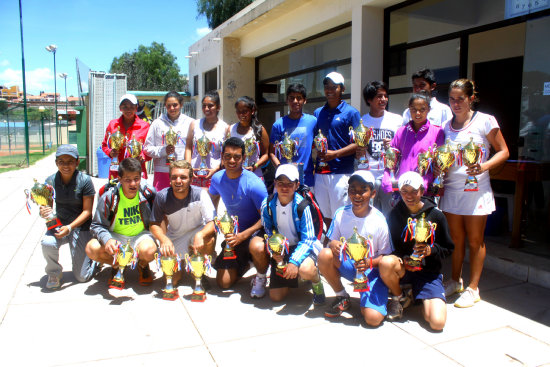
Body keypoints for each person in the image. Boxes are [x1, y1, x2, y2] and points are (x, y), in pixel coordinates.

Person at [439, 79, 509, 308]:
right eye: (452, 99)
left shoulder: (486, 121)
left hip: (476, 190)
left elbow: (503, 151)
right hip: (452, 190)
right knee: (456, 240)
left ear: (471, 98)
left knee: (475, 241)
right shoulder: (446, 127)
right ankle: (455, 280)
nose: (456, 103)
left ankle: (473, 288)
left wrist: (484, 166)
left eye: (461, 98)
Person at [379, 172, 454, 331]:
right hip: (405, 269)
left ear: (422, 190)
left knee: (436, 323)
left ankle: (418, 297)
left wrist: (430, 250)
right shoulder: (394, 214)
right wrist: (402, 258)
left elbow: (448, 249)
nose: (409, 196)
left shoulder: (436, 215)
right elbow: (391, 247)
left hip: (428, 273)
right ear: (399, 192)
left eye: (414, 191)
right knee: (386, 263)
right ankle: (399, 296)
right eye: (404, 191)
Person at [317, 170, 392, 327]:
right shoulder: (340, 213)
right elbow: (330, 241)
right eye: (353, 190)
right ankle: (342, 296)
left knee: (372, 319)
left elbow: (386, 257)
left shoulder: (379, 220)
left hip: (371, 271)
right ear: (348, 191)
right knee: (325, 255)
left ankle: (378, 298)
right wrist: (333, 244)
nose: (357, 195)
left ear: (372, 193)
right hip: (350, 265)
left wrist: (369, 263)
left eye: (363, 190)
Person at [252, 164, 325, 303]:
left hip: (302, 247)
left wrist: (294, 261)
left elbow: (308, 239)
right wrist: (273, 249)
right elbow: (267, 230)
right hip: (283, 248)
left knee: (306, 270)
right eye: (280, 183)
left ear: (297, 185)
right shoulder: (267, 204)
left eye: (289, 184)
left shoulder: (302, 206)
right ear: (275, 183)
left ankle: (316, 282)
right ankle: (292, 277)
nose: (284, 188)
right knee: (276, 296)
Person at [208, 137, 269, 297]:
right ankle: (248, 262)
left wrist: (243, 235)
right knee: (223, 283)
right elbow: (211, 204)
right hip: (235, 235)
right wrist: (213, 226)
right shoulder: (217, 179)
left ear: (244, 158)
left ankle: (261, 276)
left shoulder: (254, 184)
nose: (232, 160)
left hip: (257, 232)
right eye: (228, 156)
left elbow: (266, 217)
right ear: (222, 157)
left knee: (257, 247)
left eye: (237, 157)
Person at [86, 158, 157, 287]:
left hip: (140, 236)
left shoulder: (148, 193)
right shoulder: (109, 197)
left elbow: (157, 217)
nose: (133, 184)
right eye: (127, 180)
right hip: (116, 236)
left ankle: (143, 265)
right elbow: (96, 225)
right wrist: (107, 239)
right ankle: (116, 265)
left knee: (150, 250)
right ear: (119, 179)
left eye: (136, 179)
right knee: (91, 248)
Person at [149, 160, 216, 296]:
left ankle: (199, 273)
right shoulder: (162, 196)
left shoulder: (201, 194)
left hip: (195, 234)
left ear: (191, 179)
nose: (178, 181)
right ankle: (182, 266)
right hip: (175, 237)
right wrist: (164, 239)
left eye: (183, 177)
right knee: (172, 280)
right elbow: (153, 224)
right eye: (174, 177)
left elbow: (212, 223)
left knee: (209, 238)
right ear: (170, 179)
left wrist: (200, 235)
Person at [39, 145, 98, 290]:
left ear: (77, 162)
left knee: (82, 277)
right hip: (60, 225)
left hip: (80, 227)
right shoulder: (50, 181)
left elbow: (87, 212)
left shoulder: (85, 181)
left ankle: (95, 259)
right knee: (47, 242)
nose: (65, 165)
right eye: (61, 161)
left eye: (70, 161)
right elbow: (47, 207)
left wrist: (70, 227)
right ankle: (54, 272)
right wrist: (43, 211)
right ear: (56, 163)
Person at [379, 94, 445, 213]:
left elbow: (439, 163)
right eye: (414, 110)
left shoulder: (437, 132)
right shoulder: (401, 131)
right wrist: (389, 183)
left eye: (422, 110)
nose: (418, 113)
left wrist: (423, 185)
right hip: (402, 190)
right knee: (402, 226)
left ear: (428, 110)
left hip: (424, 191)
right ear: (409, 109)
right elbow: (391, 160)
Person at [314, 72, 361, 225]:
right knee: (324, 213)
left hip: (341, 172)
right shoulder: (318, 112)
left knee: (341, 214)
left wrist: (335, 154)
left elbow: (359, 143)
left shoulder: (351, 113)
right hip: (321, 172)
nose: (329, 90)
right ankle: (328, 244)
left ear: (342, 89)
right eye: (327, 87)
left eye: (334, 87)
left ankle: (342, 245)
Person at [358, 81, 404, 214]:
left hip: (389, 176)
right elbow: (357, 148)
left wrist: (393, 146)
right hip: (368, 175)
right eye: (379, 96)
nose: (383, 99)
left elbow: (403, 148)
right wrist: (358, 152)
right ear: (369, 99)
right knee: (368, 214)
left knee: (391, 216)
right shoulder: (362, 121)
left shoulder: (397, 120)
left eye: (385, 96)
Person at [144, 91, 194, 191]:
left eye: (175, 105)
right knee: (162, 201)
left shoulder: (190, 122)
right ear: (165, 106)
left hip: (182, 171)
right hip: (162, 171)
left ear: (181, 105)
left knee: (181, 203)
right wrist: (163, 151)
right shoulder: (157, 123)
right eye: (168, 106)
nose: (172, 108)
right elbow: (147, 148)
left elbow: (193, 148)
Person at [269, 83, 317, 186]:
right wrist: (280, 169)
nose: (295, 101)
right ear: (287, 100)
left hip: (306, 179)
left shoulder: (312, 121)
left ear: (304, 100)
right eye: (291, 98)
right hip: (285, 181)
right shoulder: (278, 125)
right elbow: (272, 153)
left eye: (299, 98)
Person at [185, 91, 229, 188]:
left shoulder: (225, 128)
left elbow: (226, 153)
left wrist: (216, 169)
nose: (206, 109)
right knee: (195, 202)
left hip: (215, 174)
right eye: (204, 106)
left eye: (210, 106)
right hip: (195, 174)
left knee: (211, 202)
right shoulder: (194, 124)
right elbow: (188, 147)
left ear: (218, 107)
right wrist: (189, 168)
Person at [101, 94, 151, 179]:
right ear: (120, 108)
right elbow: (105, 145)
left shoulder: (145, 126)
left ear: (136, 108)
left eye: (132, 107)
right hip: (117, 170)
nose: (128, 110)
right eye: (125, 107)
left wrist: (143, 157)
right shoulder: (113, 125)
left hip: (137, 170)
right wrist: (110, 152)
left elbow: (150, 147)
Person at [230, 96, 269, 178]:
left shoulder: (260, 130)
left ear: (252, 111)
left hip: (254, 176)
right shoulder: (231, 129)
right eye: (238, 111)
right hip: (235, 176)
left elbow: (266, 155)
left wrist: (255, 166)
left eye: (244, 112)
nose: (241, 115)